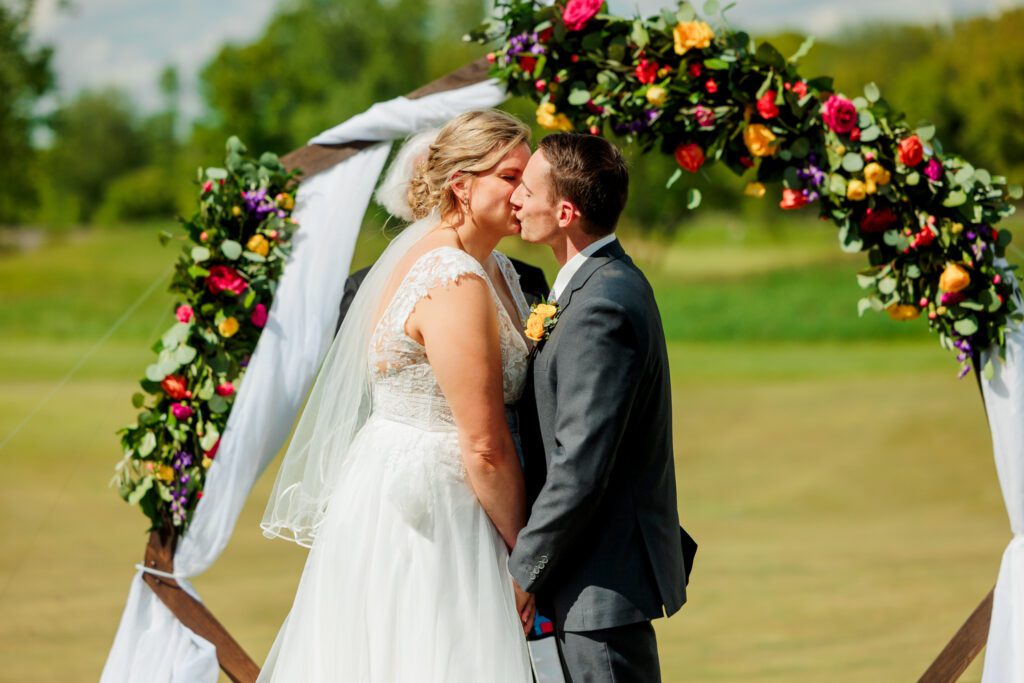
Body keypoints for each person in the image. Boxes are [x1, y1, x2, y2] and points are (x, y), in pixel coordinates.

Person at [257, 110, 537, 682]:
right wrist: (529, 555)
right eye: (509, 177)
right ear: (461, 184)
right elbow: (483, 444)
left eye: (527, 179)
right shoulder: (451, 278)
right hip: (435, 506)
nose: (523, 192)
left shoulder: (494, 267)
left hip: (422, 484)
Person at [509, 133, 697, 682]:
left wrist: (524, 571)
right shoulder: (595, 283)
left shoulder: (601, 305)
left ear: (565, 213)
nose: (515, 198)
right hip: (588, 583)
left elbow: (580, 465)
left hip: (599, 590)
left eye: (527, 190)